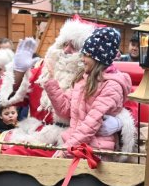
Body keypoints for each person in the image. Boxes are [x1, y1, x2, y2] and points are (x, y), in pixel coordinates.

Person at [0, 16, 137, 157]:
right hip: (38, 135)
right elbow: (9, 100)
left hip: (78, 143)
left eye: (74, 47)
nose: (66, 51)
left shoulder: (106, 78)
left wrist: (119, 123)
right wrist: (18, 72)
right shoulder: (44, 70)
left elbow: (130, 110)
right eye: (64, 44)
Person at [42, 27, 131, 157]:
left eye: (87, 55)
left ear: (99, 58)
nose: (82, 59)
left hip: (95, 151)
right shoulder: (83, 78)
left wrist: (65, 150)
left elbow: (90, 125)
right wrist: (51, 82)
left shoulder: (112, 86)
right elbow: (64, 110)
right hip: (76, 145)